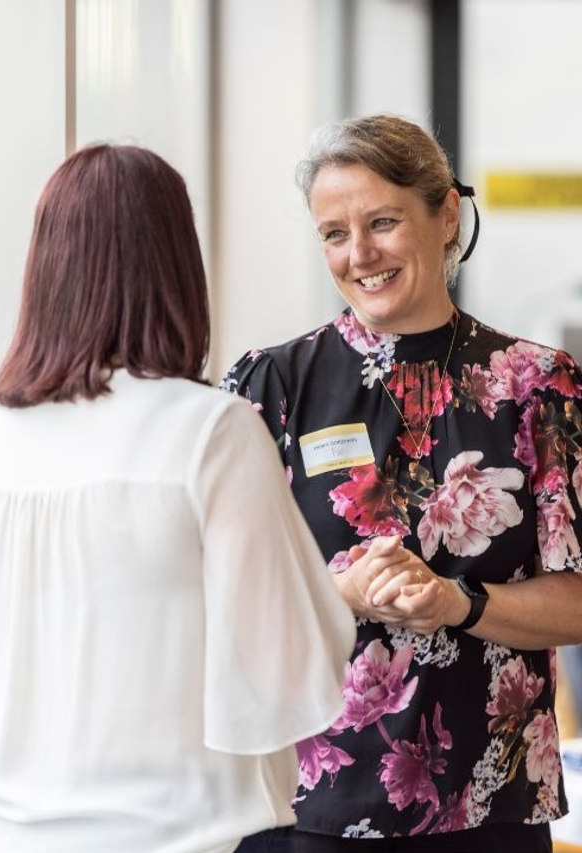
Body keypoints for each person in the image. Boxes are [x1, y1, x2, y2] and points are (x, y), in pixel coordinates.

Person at [0, 143, 357, 853]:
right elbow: (288, 677)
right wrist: (340, 596)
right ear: (178, 267)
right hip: (178, 835)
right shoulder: (209, 431)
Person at [222, 114, 582, 853]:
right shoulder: (270, 387)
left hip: (492, 808)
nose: (360, 254)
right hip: (307, 805)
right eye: (333, 233)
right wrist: (336, 595)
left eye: (383, 221)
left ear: (446, 213)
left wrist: (459, 601)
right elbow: (218, 598)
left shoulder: (537, 386)